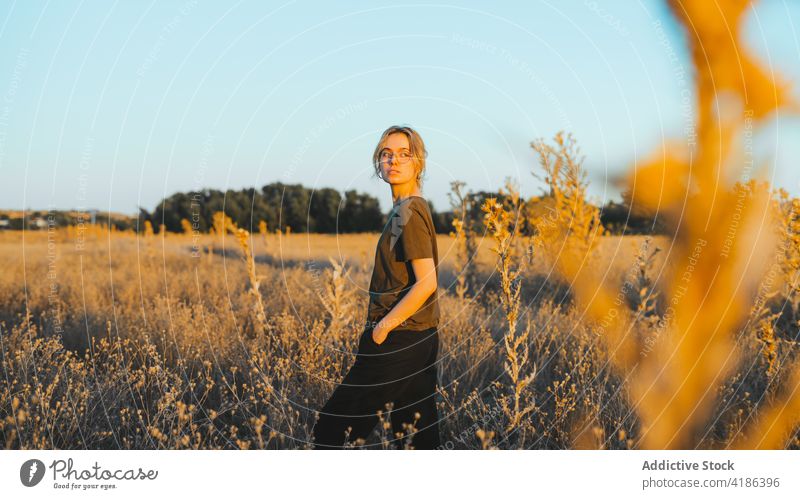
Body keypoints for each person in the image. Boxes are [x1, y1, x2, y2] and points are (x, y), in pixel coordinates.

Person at [312, 125, 442, 449]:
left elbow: (426, 283)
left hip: (400, 338)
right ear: (378, 162)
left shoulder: (410, 211)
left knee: (332, 429)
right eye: (386, 154)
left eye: (403, 154)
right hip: (418, 337)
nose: (393, 161)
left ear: (418, 162)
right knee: (414, 434)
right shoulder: (403, 210)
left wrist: (382, 329)